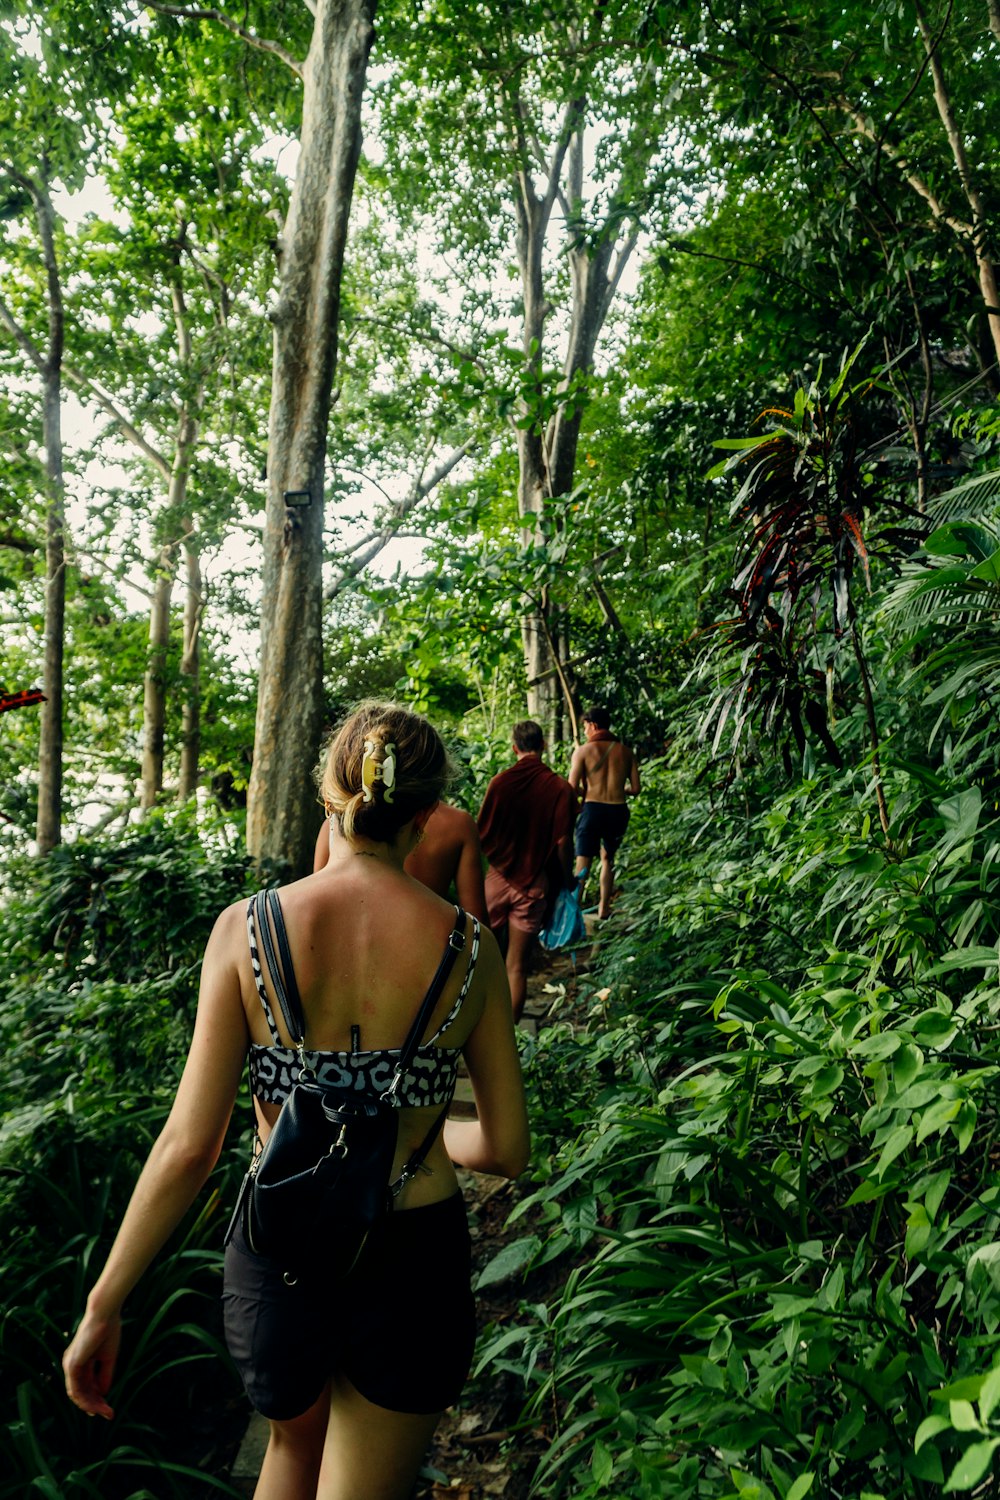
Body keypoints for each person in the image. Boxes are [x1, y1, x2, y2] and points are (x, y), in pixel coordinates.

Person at [63, 701, 529, 1500]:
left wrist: (104, 1303)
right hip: (413, 1252)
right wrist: (427, 1137)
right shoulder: (470, 947)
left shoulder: (244, 931)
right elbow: (507, 1148)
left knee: (288, 1448)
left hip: (282, 1240)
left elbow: (189, 1146)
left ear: (328, 798)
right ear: (424, 818)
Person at [477, 720, 576, 1022]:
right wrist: (566, 878)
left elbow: (480, 832)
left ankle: (475, 1031)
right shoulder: (561, 788)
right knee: (516, 966)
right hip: (534, 885)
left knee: (479, 960)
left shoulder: (500, 782)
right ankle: (509, 1039)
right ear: (543, 745)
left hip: (495, 880)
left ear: (514, 747)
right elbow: (563, 843)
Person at [313, 797, 487, 922]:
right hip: (427, 954)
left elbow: (319, 906)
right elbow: (476, 922)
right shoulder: (458, 824)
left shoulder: (335, 827)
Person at [568, 706, 640, 920]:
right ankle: (603, 909)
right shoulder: (626, 752)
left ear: (593, 725)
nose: (584, 732)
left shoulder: (582, 751)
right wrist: (619, 789)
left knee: (583, 864)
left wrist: (587, 790)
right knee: (608, 859)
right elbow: (636, 789)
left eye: (585, 727)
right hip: (618, 811)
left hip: (593, 810)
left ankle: (573, 916)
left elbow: (571, 787)